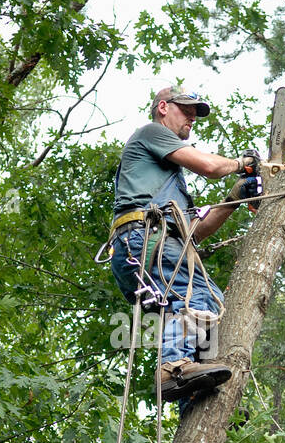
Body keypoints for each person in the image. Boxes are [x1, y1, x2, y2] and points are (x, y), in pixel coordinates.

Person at [108, 85, 262, 412]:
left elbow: (195, 232)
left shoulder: (168, 183)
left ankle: (195, 393)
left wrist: (234, 198)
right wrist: (241, 162)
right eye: (185, 110)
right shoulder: (151, 133)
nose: (191, 118)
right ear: (163, 107)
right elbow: (208, 166)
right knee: (196, 295)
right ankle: (174, 367)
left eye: (194, 115)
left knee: (206, 303)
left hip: (148, 245)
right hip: (143, 239)